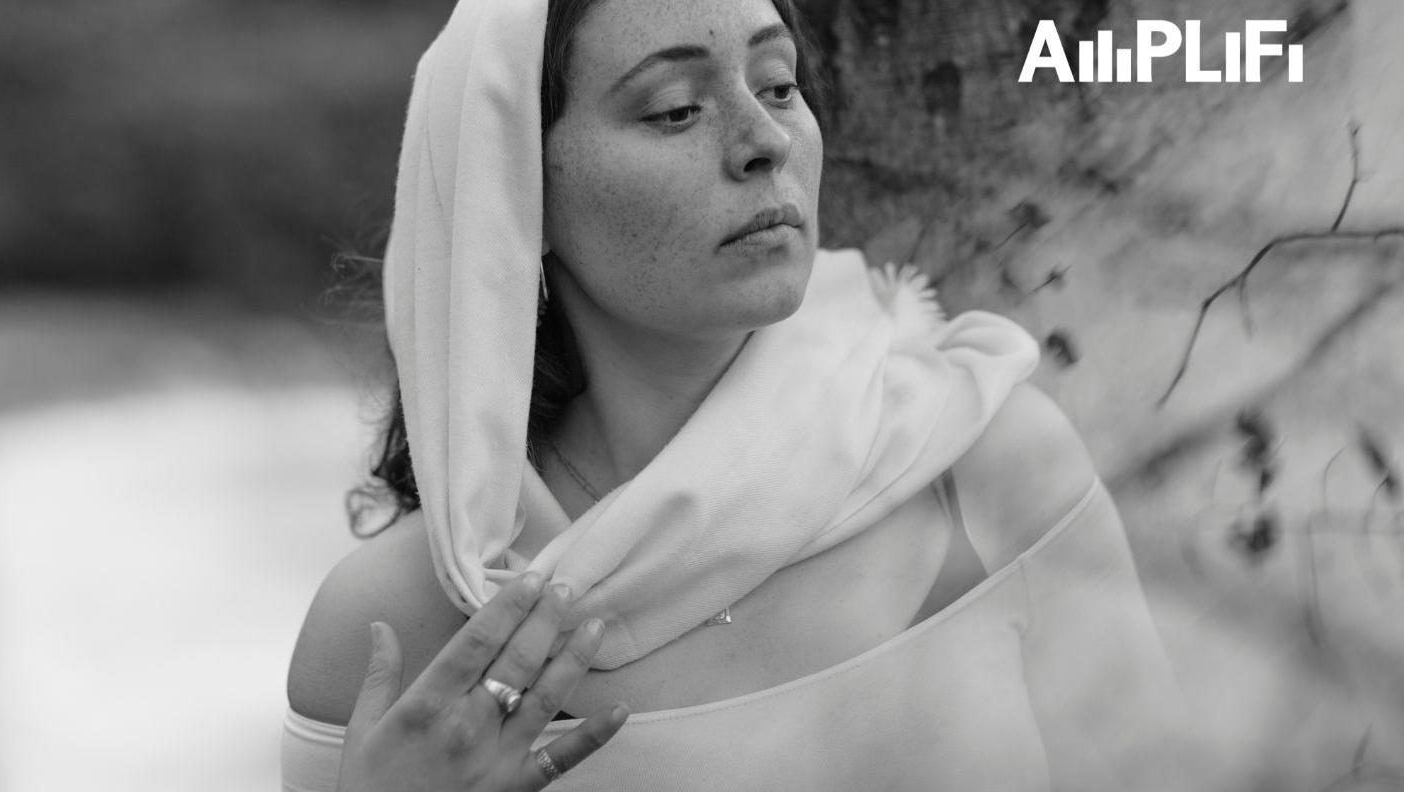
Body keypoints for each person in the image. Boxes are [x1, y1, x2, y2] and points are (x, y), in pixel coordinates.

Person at [282, 0, 1186, 789]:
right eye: (676, 110)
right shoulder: (401, 633)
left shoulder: (983, 461)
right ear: (517, 199)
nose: (764, 141)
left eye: (779, 84)